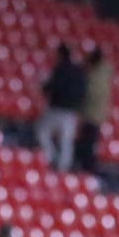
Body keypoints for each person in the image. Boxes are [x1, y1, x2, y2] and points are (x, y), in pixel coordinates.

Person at [36, 43, 86, 172]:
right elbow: (83, 92)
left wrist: (43, 87)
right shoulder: (79, 71)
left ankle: (51, 157)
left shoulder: (60, 68)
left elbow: (52, 87)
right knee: (66, 140)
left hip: (57, 109)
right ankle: (63, 167)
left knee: (42, 132)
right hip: (71, 112)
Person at [76, 45, 112, 173]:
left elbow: (90, 95)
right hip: (95, 115)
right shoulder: (103, 73)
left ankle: (87, 170)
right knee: (88, 143)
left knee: (88, 145)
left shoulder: (96, 77)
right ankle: (85, 168)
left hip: (92, 115)